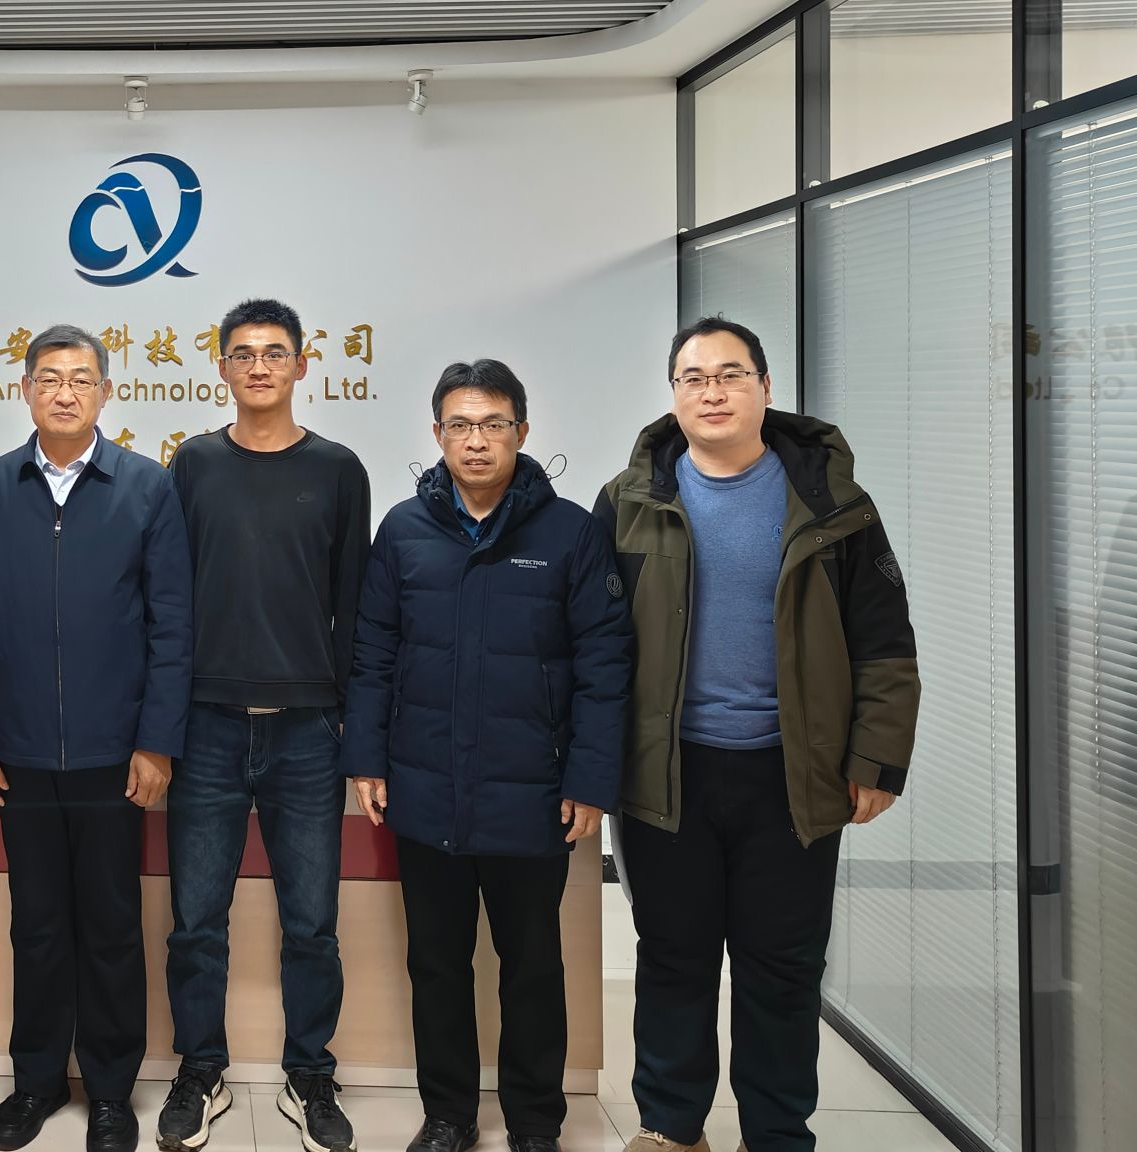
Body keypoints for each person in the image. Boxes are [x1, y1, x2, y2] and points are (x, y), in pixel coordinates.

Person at [594, 318, 919, 1152]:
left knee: (782, 967)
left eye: (731, 375)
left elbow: (885, 642)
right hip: (666, 774)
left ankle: (775, 1133)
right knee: (674, 957)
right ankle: (672, 1127)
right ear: (674, 393)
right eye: (694, 377)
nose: (713, 392)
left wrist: (877, 758)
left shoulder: (834, 505)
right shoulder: (628, 503)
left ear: (766, 388)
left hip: (792, 776)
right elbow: (594, 644)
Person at [343, 360, 630, 1152]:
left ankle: (536, 1120)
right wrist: (367, 759)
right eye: (461, 426)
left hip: (531, 793)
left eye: (494, 424)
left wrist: (590, 778)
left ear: (522, 432)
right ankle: (449, 1115)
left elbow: (605, 665)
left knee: (532, 965)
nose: (477, 441)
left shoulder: (570, 532)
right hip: (423, 787)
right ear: (437, 434)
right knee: (437, 964)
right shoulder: (404, 529)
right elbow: (372, 654)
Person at [0, 324, 192, 1152]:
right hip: (16, 756)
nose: (64, 392)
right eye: (48, 378)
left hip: (114, 755)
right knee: (38, 924)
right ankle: (37, 1081)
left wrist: (156, 742)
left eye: (81, 379)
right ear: (24, 389)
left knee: (113, 925)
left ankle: (113, 1091)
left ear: (105, 392)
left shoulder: (146, 485)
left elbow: (172, 626)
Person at [158, 297, 371, 1152]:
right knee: (195, 924)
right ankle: (200, 1070)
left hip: (309, 731)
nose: (258, 366)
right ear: (221, 368)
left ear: (301, 366)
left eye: (274, 353)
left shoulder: (339, 469)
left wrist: (354, 726)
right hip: (205, 727)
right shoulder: (193, 464)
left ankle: (309, 1074)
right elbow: (169, 599)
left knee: (312, 925)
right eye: (242, 354)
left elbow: (355, 607)